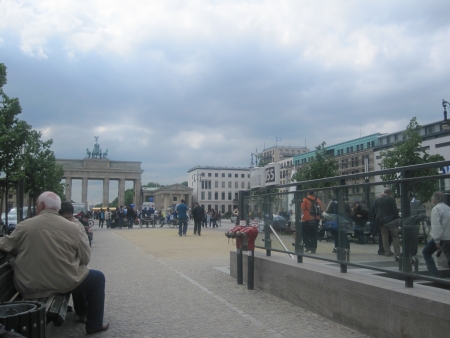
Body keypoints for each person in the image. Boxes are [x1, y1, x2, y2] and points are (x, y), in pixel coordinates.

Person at [0, 191, 109, 334]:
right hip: (64, 283)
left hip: (30, 285)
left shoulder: (24, 226)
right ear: (57, 208)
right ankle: (93, 323)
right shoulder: (73, 228)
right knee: (97, 278)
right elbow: (85, 258)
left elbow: (6, 245)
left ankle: (82, 313)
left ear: (42, 205)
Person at [422, 191, 450, 277]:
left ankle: (435, 274)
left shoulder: (436, 209)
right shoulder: (448, 208)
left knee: (426, 252)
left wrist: (437, 241)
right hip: (448, 236)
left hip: (442, 237)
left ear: (435, 199)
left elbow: (436, 226)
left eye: (432, 199)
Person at [375, 188, 400, 257]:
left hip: (382, 222)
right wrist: (397, 219)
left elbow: (377, 211)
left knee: (384, 237)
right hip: (391, 221)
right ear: (390, 193)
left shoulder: (379, 200)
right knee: (395, 236)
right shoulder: (391, 199)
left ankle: (387, 252)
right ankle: (397, 252)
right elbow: (394, 210)